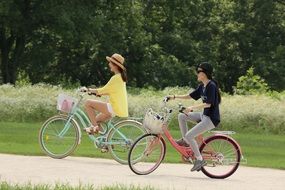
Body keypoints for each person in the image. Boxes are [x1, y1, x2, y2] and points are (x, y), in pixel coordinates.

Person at [167, 62, 221, 172]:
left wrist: (191, 107)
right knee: (182, 116)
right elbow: (189, 96)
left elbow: (209, 104)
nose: (197, 74)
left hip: (211, 119)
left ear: (204, 73)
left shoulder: (211, 86)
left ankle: (199, 160)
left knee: (190, 135)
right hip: (204, 115)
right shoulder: (202, 86)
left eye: (198, 72)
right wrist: (174, 96)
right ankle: (185, 141)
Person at [81, 53, 128, 134]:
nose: (109, 64)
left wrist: (89, 90)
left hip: (114, 107)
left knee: (88, 103)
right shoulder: (120, 77)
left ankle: (94, 128)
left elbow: (103, 90)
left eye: (110, 63)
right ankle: (105, 142)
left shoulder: (116, 78)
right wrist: (96, 92)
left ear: (115, 66)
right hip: (116, 108)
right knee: (96, 120)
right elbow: (108, 91)